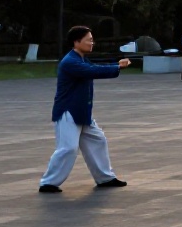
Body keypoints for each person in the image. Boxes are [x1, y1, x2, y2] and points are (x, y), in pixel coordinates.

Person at [39, 26, 130, 193]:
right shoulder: (70, 62)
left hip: (81, 112)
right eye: (88, 39)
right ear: (76, 42)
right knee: (68, 148)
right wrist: (117, 67)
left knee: (98, 140)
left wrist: (115, 65)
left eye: (92, 39)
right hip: (68, 113)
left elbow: (94, 66)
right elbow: (92, 70)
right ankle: (48, 182)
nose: (91, 43)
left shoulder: (80, 59)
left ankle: (105, 178)